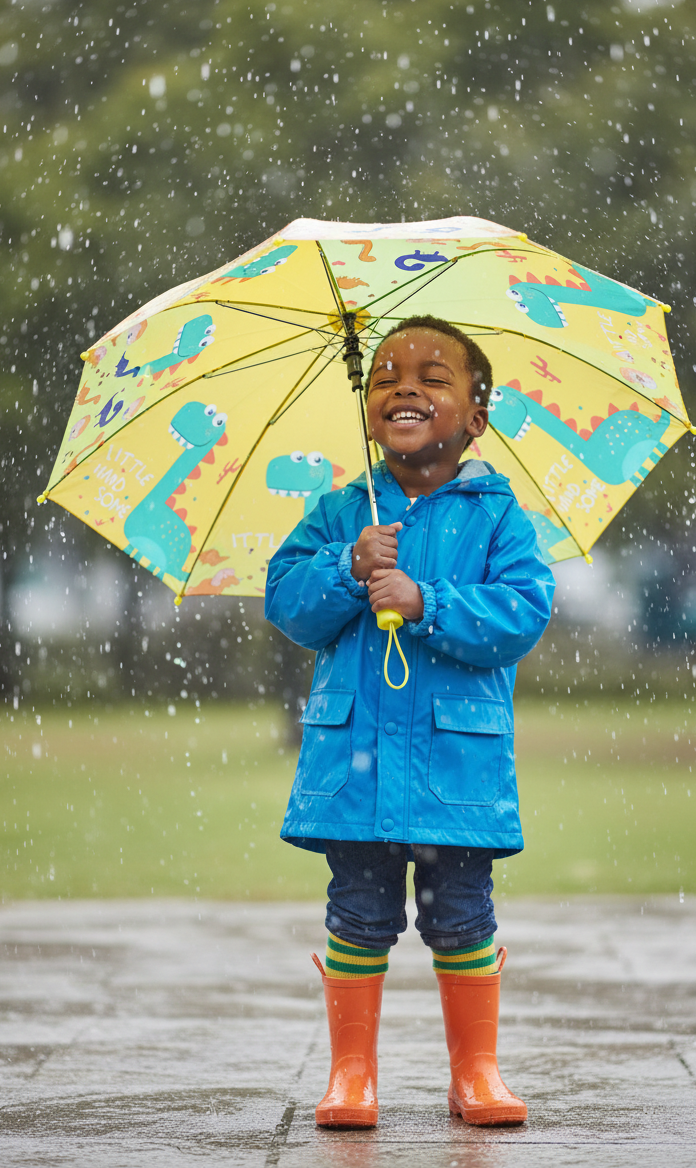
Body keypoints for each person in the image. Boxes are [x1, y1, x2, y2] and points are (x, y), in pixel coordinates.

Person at [265, 315, 554, 1129]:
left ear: (476, 416)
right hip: (354, 767)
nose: (405, 389)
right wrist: (347, 568)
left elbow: (523, 613)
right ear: (368, 411)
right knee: (357, 913)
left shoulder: (497, 516)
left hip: (453, 769)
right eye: (386, 377)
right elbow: (287, 603)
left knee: (462, 916)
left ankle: (476, 1074)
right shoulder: (340, 512)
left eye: (433, 378)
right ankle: (351, 1075)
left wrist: (428, 601)